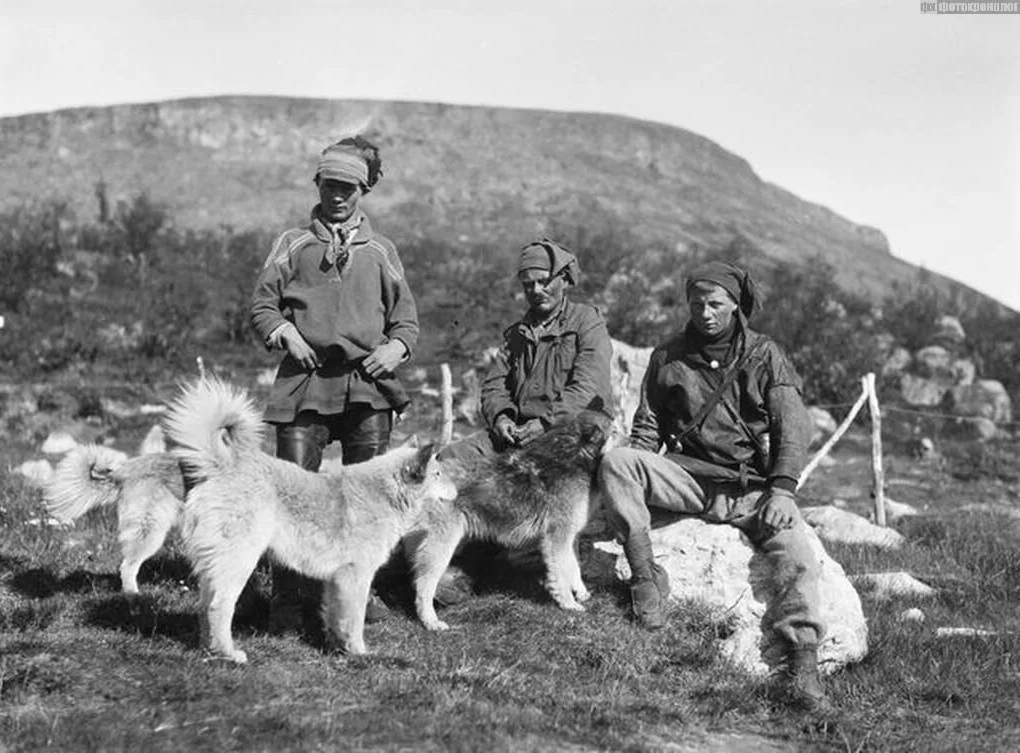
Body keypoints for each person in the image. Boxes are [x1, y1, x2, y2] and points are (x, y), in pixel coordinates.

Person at [596, 260, 831, 713]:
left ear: (736, 306)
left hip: (749, 488)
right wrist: (639, 465)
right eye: (697, 303)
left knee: (798, 556)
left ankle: (802, 662)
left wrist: (782, 490)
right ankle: (646, 577)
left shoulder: (764, 354)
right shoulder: (667, 356)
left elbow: (792, 425)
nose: (705, 312)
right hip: (687, 480)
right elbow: (647, 427)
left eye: (716, 304)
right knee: (619, 462)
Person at [249, 135, 419, 629]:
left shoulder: (382, 251)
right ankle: (288, 599)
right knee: (291, 495)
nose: (339, 196)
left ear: (363, 191)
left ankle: (358, 596)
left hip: (367, 388)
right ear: (317, 184)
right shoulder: (292, 244)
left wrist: (396, 349)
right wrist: (283, 333)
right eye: (330, 185)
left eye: (349, 187)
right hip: (305, 384)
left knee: (369, 502)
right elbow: (263, 305)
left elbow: (406, 321)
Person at [442, 238, 614, 466]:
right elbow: (494, 386)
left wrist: (545, 424)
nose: (536, 290)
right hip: (522, 433)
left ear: (563, 279)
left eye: (544, 281)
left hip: (574, 432)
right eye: (528, 285)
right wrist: (502, 418)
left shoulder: (587, 322)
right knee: (448, 460)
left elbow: (587, 386)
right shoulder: (516, 335)